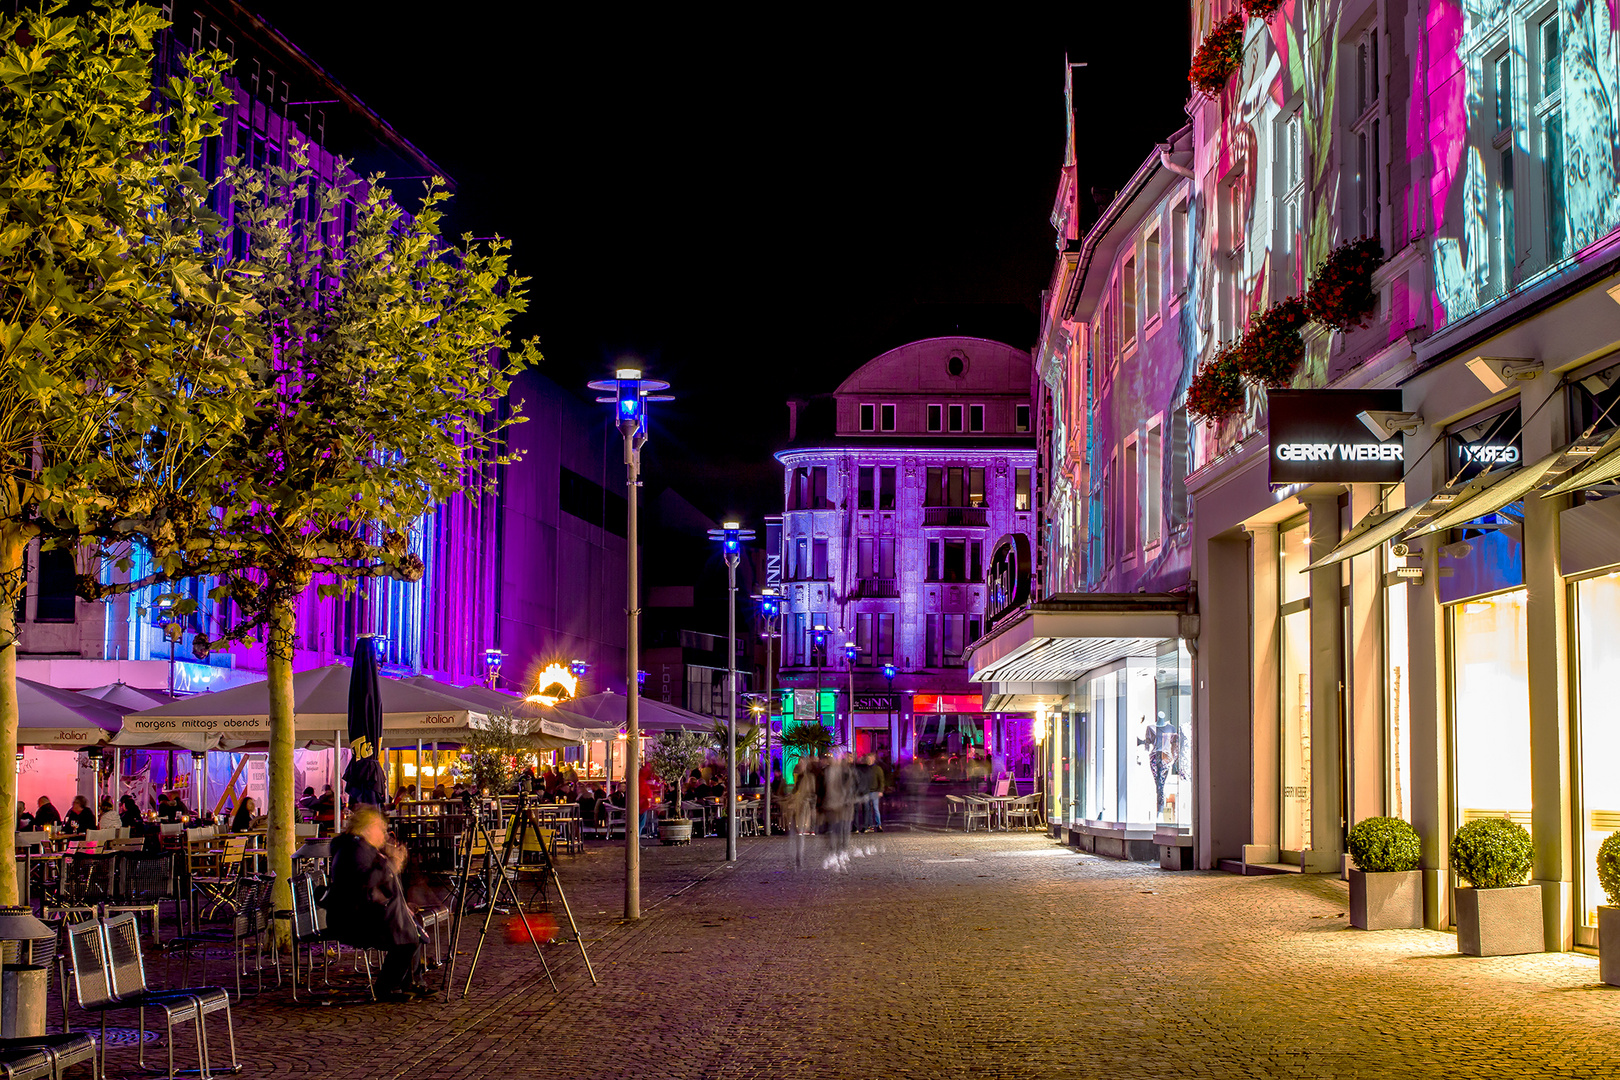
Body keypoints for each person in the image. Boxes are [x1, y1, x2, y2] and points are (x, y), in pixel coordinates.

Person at [322, 807, 428, 1001]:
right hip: (352, 919)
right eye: (381, 829)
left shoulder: (362, 848)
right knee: (406, 932)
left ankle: (410, 981)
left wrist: (389, 862)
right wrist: (390, 865)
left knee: (409, 924)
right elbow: (366, 883)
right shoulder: (353, 850)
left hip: (362, 912)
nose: (385, 834)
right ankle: (388, 987)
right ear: (368, 828)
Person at [637, 761, 660, 838]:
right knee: (641, 823)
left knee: (641, 823)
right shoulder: (642, 780)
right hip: (642, 804)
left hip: (641, 803)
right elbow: (644, 791)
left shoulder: (641, 779)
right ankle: (637, 840)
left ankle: (637, 840)